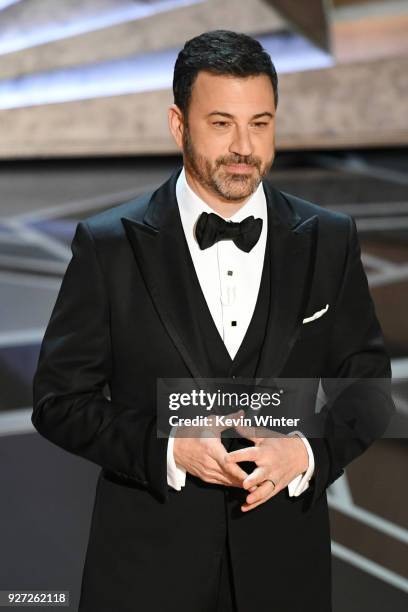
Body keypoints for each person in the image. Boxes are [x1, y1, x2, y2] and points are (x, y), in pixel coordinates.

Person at [32, 30, 394, 612]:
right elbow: (58, 401)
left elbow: (369, 389)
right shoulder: (108, 246)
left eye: (261, 122)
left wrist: (306, 452)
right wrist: (170, 447)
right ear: (179, 125)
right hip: (146, 571)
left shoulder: (329, 239)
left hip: (285, 570)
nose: (244, 147)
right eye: (222, 123)